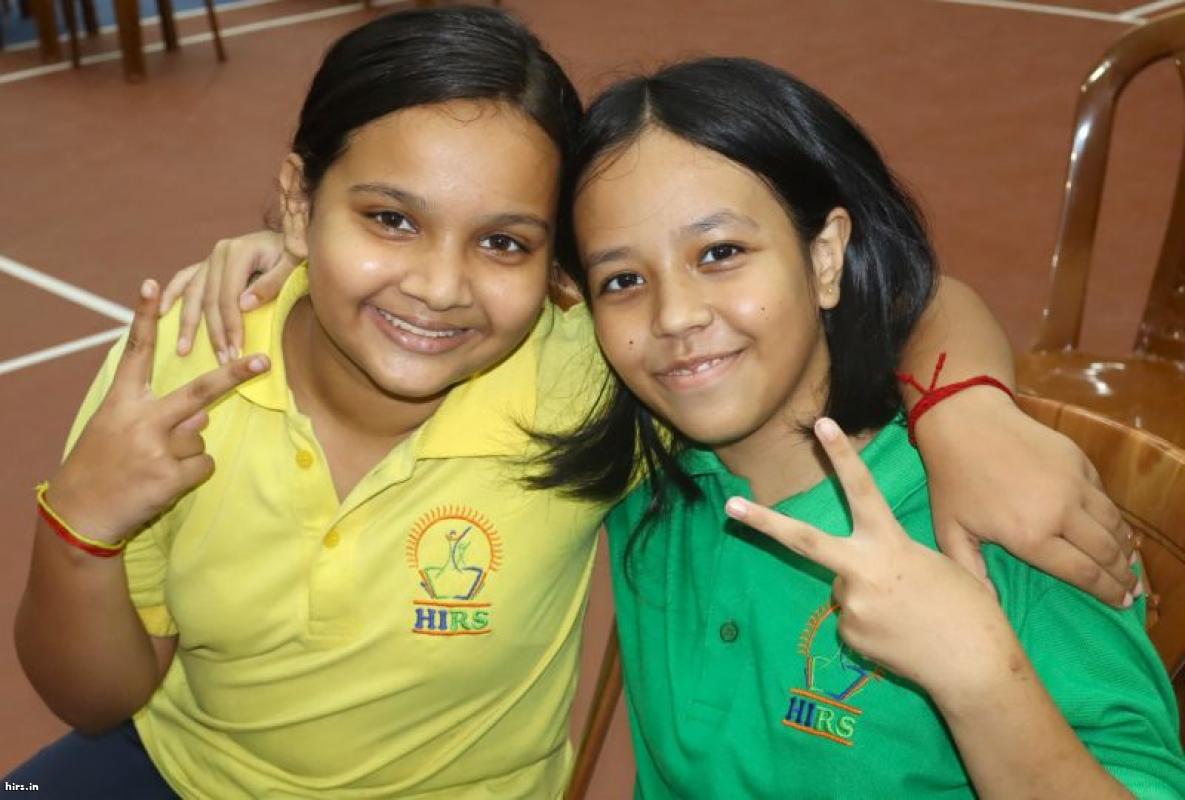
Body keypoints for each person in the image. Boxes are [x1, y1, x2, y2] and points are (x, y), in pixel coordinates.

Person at [10, 6, 1137, 799]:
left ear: (548, 272)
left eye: (502, 241)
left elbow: (905, 292)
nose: (438, 287)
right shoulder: (188, 360)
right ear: (300, 204)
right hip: (184, 768)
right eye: (390, 219)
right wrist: (80, 527)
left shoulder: (600, 378)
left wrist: (972, 409)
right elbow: (98, 698)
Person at [536, 57, 1185, 797]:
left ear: (824, 257)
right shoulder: (632, 453)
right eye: (623, 280)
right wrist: (966, 397)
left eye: (721, 253)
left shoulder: (991, 513)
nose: (674, 316)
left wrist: (976, 672)